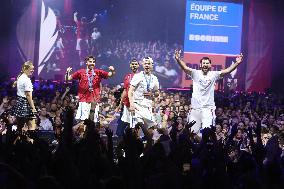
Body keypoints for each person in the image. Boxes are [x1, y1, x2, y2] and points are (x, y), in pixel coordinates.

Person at [174, 50, 243, 135]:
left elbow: (227, 71)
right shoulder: (195, 73)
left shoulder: (214, 74)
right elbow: (185, 68)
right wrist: (178, 59)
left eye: (207, 63)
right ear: (200, 65)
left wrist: (237, 63)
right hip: (195, 108)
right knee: (192, 133)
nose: (205, 65)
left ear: (210, 65)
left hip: (208, 109)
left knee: (208, 132)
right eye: (204, 63)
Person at [65, 56, 115, 123]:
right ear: (86, 62)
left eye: (93, 62)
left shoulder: (98, 72)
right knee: (83, 122)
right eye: (90, 61)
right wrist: (67, 72)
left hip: (94, 100)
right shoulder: (81, 72)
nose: (92, 63)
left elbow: (110, 75)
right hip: (83, 100)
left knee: (92, 122)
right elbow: (68, 79)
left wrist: (112, 70)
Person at [128, 57, 160, 131]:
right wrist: (131, 104)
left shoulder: (155, 78)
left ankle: (148, 142)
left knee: (151, 130)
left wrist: (152, 94)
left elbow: (157, 92)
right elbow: (130, 91)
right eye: (145, 64)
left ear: (152, 65)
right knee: (136, 130)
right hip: (137, 106)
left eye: (149, 64)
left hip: (147, 106)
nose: (147, 65)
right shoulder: (138, 76)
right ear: (143, 65)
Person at [12, 61, 37, 131]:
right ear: (25, 69)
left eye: (33, 69)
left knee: (20, 127)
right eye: (31, 69)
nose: (33, 70)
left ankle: (14, 141)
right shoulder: (26, 80)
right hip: (25, 104)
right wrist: (33, 107)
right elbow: (28, 95)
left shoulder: (20, 77)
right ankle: (30, 141)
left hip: (20, 103)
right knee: (32, 126)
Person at [116, 59, 140, 133]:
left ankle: (136, 141)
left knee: (135, 125)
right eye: (132, 64)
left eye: (135, 64)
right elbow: (125, 91)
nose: (134, 65)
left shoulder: (141, 76)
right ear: (130, 65)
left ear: (138, 65)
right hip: (127, 105)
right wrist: (120, 104)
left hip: (137, 104)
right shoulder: (127, 76)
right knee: (128, 124)